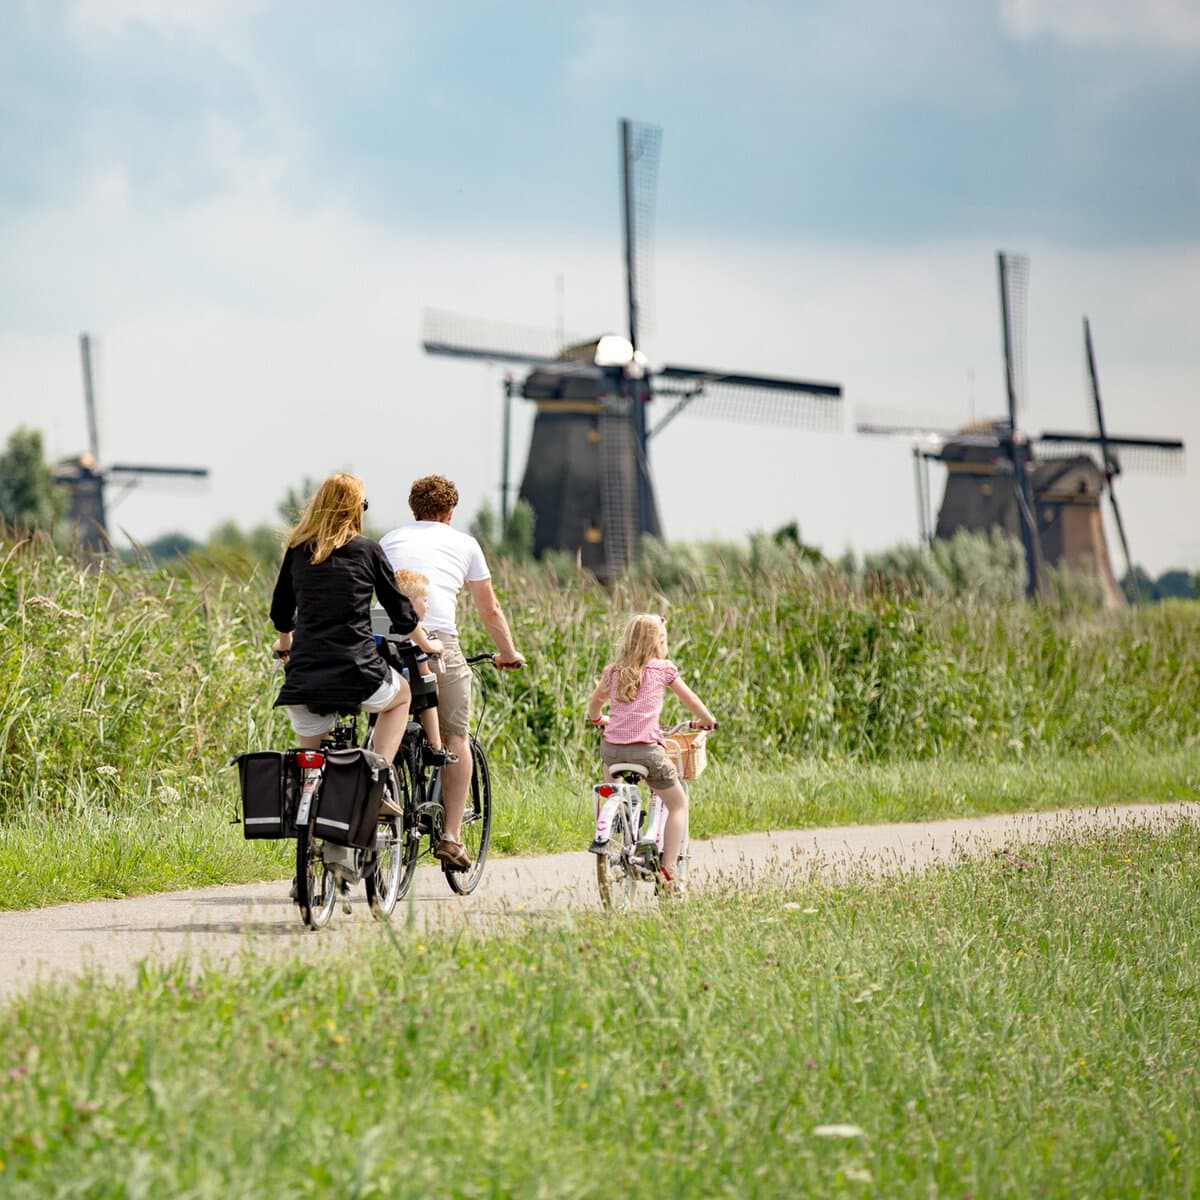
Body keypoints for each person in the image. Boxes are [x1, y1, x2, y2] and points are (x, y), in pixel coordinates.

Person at [380, 475, 525, 871]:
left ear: (413, 509)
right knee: (457, 737)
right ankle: (451, 837)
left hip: (383, 639)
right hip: (436, 640)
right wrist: (508, 652)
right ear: (450, 512)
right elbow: (489, 608)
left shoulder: (389, 540)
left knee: (387, 712)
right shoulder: (465, 544)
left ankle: (381, 784)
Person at [270, 473, 419, 812]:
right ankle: (374, 785)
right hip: (359, 674)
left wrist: (285, 642)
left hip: (304, 679)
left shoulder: (297, 550)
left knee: (313, 765)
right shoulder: (367, 551)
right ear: (356, 508)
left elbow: (281, 610)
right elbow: (402, 612)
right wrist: (424, 639)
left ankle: (314, 829)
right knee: (401, 698)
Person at [585, 613, 716, 890]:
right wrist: (707, 719)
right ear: (658, 643)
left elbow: (594, 705)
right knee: (678, 803)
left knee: (614, 786)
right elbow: (690, 699)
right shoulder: (663, 669)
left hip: (612, 751)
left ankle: (621, 826)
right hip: (647, 752)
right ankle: (667, 874)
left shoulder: (613, 671)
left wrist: (598, 719)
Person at [389, 567, 455, 764]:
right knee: (430, 690)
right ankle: (435, 746)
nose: (427, 606)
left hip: (384, 687)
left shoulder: (384, 628)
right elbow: (423, 670)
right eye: (424, 600)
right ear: (409, 602)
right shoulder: (417, 633)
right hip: (414, 692)